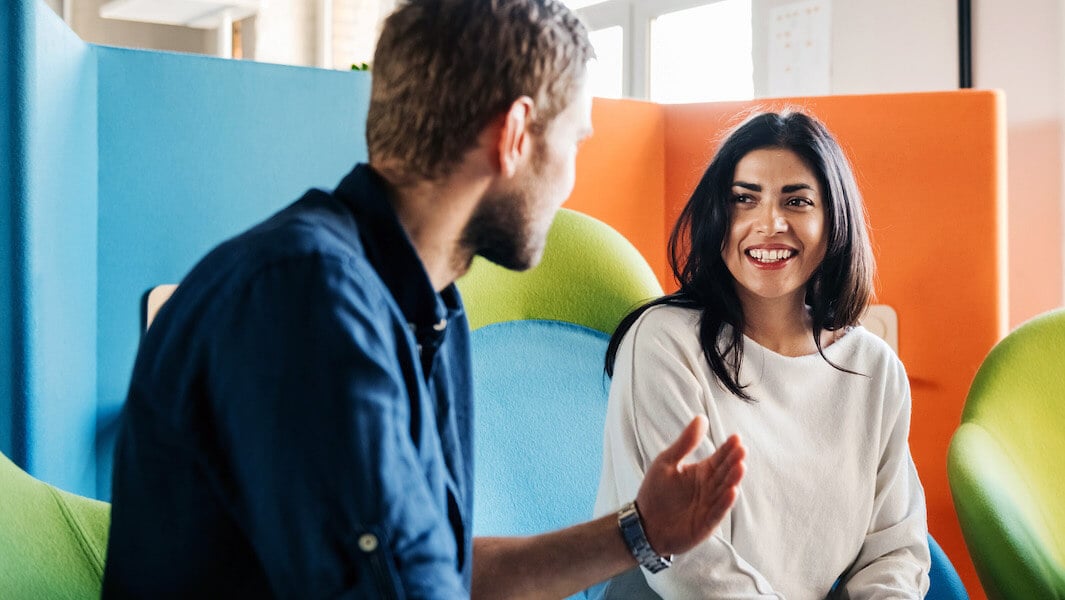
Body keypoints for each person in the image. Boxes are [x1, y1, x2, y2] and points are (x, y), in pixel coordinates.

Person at [101, 1, 748, 598]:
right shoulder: (304, 299)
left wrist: (641, 533)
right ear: (515, 135)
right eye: (574, 141)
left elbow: (433, 570)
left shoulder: (422, 308)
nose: (570, 178)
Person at [593, 110, 930, 599]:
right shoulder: (663, 342)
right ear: (716, 216)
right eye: (744, 200)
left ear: (833, 221)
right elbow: (687, 563)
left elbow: (894, 550)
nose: (769, 223)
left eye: (797, 201)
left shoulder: (873, 369)